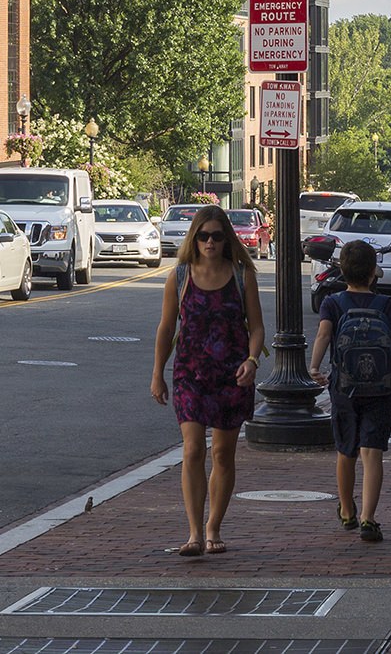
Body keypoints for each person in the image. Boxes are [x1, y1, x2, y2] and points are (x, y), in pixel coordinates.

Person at [150, 203, 266, 557]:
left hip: (231, 375)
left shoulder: (242, 275)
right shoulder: (180, 277)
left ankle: (214, 526)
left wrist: (251, 359)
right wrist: (158, 372)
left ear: (226, 238)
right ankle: (194, 533)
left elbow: (257, 327)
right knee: (193, 449)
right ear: (194, 239)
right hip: (190, 372)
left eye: (217, 236)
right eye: (203, 236)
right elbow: (167, 327)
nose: (210, 243)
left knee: (224, 453)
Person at [311, 238, 391, 544]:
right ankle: (369, 518)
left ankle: (347, 509)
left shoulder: (333, 303)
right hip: (379, 390)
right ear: (374, 272)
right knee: (372, 452)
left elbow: (324, 334)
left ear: (343, 270)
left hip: (344, 388)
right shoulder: (385, 305)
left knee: (345, 450)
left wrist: (314, 367)